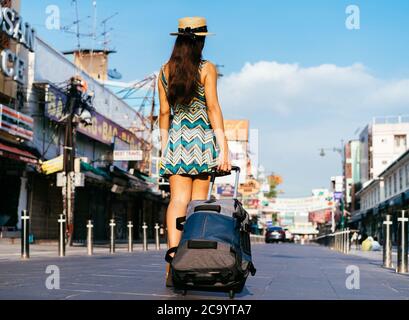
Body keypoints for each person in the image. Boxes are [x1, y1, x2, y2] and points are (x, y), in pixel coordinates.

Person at [158, 17, 232, 287]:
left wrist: (165, 145)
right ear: (200, 41)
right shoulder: (207, 68)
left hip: (176, 140)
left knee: (177, 201)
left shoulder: (164, 71)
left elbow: (164, 113)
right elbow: (213, 108)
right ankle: (190, 265)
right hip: (201, 140)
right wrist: (224, 147)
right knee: (196, 206)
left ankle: (171, 267)